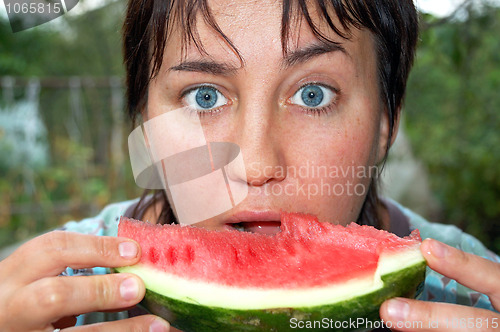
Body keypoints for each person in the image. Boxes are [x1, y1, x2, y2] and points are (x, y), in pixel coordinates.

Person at [1, 0, 499, 331]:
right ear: (145, 127)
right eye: (204, 95)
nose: (256, 164)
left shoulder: (465, 293)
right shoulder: (66, 294)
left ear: (385, 126)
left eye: (312, 94)